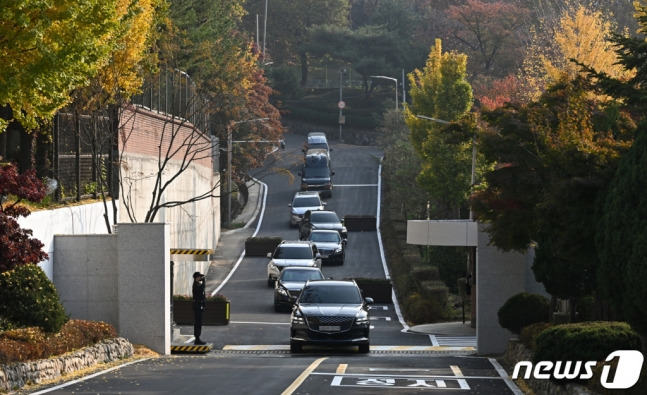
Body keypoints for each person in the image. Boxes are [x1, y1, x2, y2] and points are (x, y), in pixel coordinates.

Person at [192, 271, 206, 345]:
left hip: (199, 305)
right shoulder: (196, 285)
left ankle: (198, 338)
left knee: (199, 322)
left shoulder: (198, 285)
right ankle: (197, 338)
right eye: (200, 277)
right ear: (196, 278)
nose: (201, 278)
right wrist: (204, 282)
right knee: (197, 322)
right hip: (197, 306)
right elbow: (202, 289)